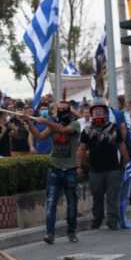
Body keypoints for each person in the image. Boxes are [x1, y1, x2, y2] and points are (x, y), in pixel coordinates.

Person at [25, 100, 81, 244]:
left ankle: (72, 232)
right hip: (54, 168)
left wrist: (46, 121)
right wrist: (29, 123)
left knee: (72, 204)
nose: (61, 111)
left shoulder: (75, 124)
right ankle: (50, 234)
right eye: (59, 109)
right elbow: (39, 136)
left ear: (69, 111)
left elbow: (63, 130)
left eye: (64, 109)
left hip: (70, 169)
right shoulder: (52, 125)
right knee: (51, 203)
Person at [78, 103, 128, 230]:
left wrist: (125, 162)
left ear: (106, 114)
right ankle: (97, 219)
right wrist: (80, 166)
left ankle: (112, 220)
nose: (98, 114)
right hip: (95, 170)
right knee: (97, 196)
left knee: (112, 197)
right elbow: (82, 149)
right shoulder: (87, 131)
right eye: (95, 112)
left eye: (101, 112)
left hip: (113, 169)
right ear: (91, 115)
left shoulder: (114, 129)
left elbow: (122, 147)